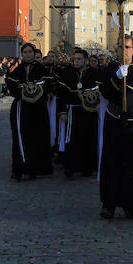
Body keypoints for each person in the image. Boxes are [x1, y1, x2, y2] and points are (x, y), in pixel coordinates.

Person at [98, 36, 133, 219]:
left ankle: (132, 203)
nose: (124, 50)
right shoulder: (111, 68)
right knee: (111, 163)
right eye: (121, 47)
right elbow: (105, 92)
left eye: (128, 47)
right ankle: (109, 204)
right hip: (115, 120)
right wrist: (115, 78)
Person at [6, 43, 53, 180]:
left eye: (30, 52)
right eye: (25, 52)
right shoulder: (17, 70)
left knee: (36, 138)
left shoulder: (42, 70)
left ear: (34, 53)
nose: (28, 54)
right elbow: (12, 86)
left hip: (37, 108)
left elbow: (48, 85)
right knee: (20, 138)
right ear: (22, 54)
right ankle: (19, 169)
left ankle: (34, 168)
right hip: (21, 108)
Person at [55, 49, 101, 177]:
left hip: (88, 111)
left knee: (88, 139)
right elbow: (62, 94)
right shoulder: (67, 74)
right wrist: (62, 111)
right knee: (72, 140)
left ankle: (88, 167)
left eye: (79, 59)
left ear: (86, 60)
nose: (76, 61)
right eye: (74, 58)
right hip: (72, 111)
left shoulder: (94, 73)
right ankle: (71, 166)